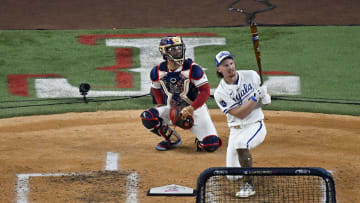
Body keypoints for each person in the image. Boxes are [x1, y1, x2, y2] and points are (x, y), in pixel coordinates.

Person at [140, 36, 222, 152]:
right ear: (164, 52)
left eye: (179, 48)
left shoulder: (194, 69)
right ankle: (172, 139)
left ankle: (202, 138)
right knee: (148, 117)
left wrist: (191, 108)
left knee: (211, 145)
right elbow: (156, 89)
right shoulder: (156, 71)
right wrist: (160, 104)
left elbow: (205, 91)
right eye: (173, 49)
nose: (177, 51)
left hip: (195, 110)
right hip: (172, 108)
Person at [213, 51, 271, 198]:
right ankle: (245, 169)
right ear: (219, 69)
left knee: (241, 144)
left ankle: (249, 185)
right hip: (236, 129)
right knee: (232, 175)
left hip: (255, 125)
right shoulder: (220, 93)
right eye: (225, 65)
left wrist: (265, 96)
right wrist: (255, 96)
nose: (230, 67)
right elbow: (240, 113)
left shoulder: (251, 75)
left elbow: (265, 98)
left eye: (231, 63)